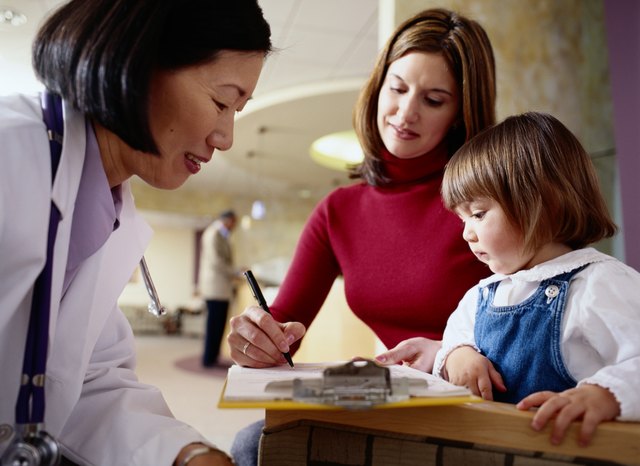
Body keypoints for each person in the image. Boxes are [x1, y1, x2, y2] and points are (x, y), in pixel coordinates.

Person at [0, 0, 271, 465]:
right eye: (221, 101)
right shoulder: (11, 154)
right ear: (137, 61)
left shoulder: (107, 204)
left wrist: (185, 454)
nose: (225, 136)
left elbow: (85, 379)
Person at [227, 8, 496, 465]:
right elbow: (285, 325)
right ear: (378, 87)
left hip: (474, 402)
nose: (405, 113)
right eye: (398, 88)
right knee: (253, 443)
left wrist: (450, 352)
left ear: (459, 113)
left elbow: (541, 312)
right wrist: (258, 339)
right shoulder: (339, 210)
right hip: (396, 402)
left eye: (433, 100)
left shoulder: (487, 199)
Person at [433, 111, 640, 447]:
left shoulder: (598, 284)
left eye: (478, 214)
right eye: (461, 220)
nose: (467, 234)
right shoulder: (481, 297)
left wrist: (606, 394)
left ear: (544, 202)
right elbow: (453, 341)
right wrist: (458, 355)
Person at [198, 209, 239, 367]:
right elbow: (216, 261)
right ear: (227, 220)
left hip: (221, 288)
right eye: (234, 222)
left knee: (219, 324)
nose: (234, 226)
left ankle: (213, 357)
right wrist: (235, 271)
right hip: (215, 287)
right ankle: (208, 359)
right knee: (213, 325)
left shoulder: (221, 234)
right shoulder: (213, 234)